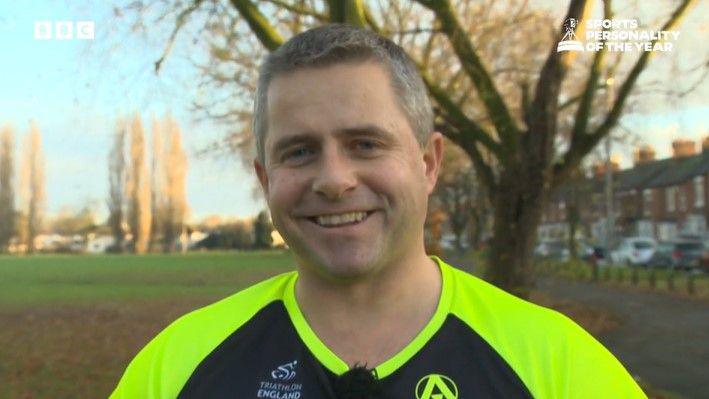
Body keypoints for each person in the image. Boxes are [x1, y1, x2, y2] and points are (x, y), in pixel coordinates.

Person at [111, 24, 646, 399]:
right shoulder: (177, 367)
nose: (335, 180)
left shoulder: (557, 364)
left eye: (366, 144)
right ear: (265, 180)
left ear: (429, 162)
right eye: (299, 151)